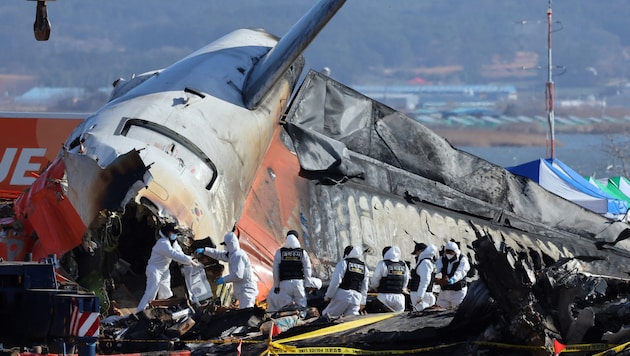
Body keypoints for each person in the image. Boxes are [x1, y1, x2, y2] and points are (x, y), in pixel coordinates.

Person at [137, 222, 202, 312]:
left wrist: (190, 259)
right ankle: (140, 311)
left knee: (166, 292)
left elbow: (179, 253)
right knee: (152, 290)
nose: (175, 235)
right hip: (155, 269)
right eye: (173, 233)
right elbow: (173, 254)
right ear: (168, 232)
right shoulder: (162, 243)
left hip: (164, 270)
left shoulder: (173, 242)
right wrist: (189, 260)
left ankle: (164, 311)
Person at [195, 231, 259, 309]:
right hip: (242, 291)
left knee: (246, 313)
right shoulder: (232, 255)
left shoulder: (238, 256)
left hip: (246, 291)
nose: (225, 247)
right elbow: (219, 255)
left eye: (225, 245)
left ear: (230, 244)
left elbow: (237, 275)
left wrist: (223, 280)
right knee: (243, 313)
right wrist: (205, 250)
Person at [271, 230, 313, 311]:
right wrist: (308, 284)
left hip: (284, 284)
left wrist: (276, 286)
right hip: (298, 283)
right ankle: (302, 319)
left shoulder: (279, 252)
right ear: (297, 239)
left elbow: (275, 270)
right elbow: (307, 269)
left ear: (286, 238)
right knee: (302, 307)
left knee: (285, 308)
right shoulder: (302, 252)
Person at [322, 245, 369, 317]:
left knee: (328, 316)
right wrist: (363, 302)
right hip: (356, 298)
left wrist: (328, 296)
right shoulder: (364, 267)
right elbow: (364, 287)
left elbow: (335, 282)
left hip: (343, 295)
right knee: (352, 319)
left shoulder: (343, 263)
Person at [370, 245, 409, 313]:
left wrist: (374, 287)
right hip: (399, 297)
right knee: (399, 321)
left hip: (384, 297)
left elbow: (375, 279)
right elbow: (406, 280)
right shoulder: (403, 265)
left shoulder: (382, 263)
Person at [434, 240, 470, 309]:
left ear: (455, 252)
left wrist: (452, 280)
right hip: (444, 292)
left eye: (450, 252)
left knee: (458, 311)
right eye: (447, 252)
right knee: (438, 310)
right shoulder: (442, 258)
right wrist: (433, 273)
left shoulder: (462, 260)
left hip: (458, 292)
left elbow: (460, 272)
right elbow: (437, 268)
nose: (448, 254)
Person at [409, 244, 438, 311]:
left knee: (419, 316)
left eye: (417, 253)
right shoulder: (432, 263)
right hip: (428, 293)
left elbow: (425, 280)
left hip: (420, 294)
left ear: (421, 251)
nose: (416, 256)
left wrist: (420, 295)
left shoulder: (425, 262)